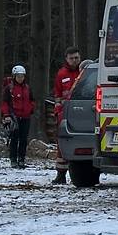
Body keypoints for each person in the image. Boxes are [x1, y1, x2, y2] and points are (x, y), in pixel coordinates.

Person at [51, 47, 81, 184]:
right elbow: (57, 95)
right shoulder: (61, 74)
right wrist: (58, 112)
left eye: (76, 57)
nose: (74, 60)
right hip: (65, 113)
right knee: (62, 144)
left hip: (82, 113)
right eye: (72, 58)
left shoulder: (84, 72)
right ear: (66, 59)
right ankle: (61, 174)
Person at [1, 65, 34, 168]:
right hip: (14, 117)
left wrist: (31, 109)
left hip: (25, 117)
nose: (20, 78)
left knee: (23, 139)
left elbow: (32, 100)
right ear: (14, 76)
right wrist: (6, 115)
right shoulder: (9, 89)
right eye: (18, 76)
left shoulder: (27, 88)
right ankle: (13, 159)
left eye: (22, 76)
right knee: (14, 139)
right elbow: (5, 103)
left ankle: (21, 159)